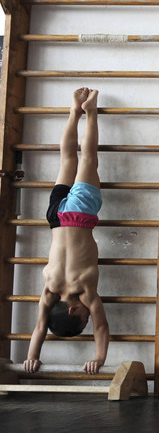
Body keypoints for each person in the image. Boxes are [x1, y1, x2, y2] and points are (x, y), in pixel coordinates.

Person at [25, 88, 109, 374]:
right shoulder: (48, 290)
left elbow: (101, 326)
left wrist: (99, 358)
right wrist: (31, 357)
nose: (88, 317)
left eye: (82, 318)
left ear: (75, 310)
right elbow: (39, 326)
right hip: (55, 218)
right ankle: (74, 111)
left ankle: (91, 111)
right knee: (67, 161)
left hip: (79, 217)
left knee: (88, 160)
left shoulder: (83, 290)